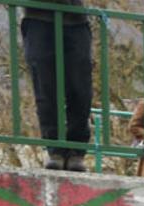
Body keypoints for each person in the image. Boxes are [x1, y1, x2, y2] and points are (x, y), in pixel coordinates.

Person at [20, 2, 93, 170]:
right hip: (38, 18)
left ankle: (76, 151)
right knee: (46, 90)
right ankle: (55, 150)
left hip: (75, 19)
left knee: (80, 91)